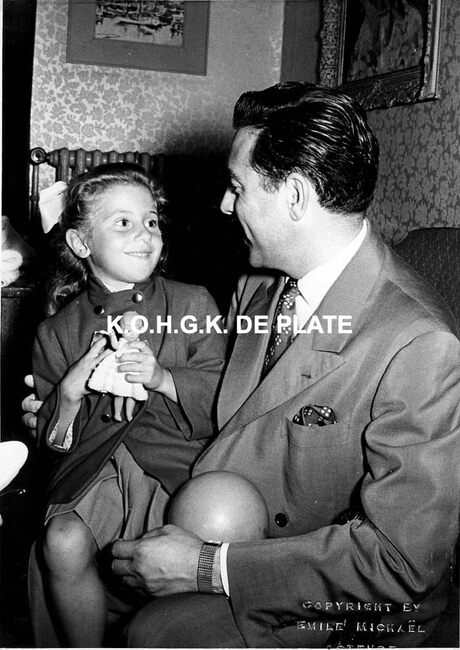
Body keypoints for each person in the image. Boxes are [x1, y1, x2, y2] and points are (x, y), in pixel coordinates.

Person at [23, 83, 460, 648]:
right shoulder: (261, 287)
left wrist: (211, 567)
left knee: (155, 634)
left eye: (238, 187)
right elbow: (239, 411)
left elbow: (402, 563)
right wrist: (70, 408)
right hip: (222, 508)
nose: (225, 206)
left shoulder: (419, 343)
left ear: (295, 196)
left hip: (340, 602)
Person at [29, 162, 226, 647]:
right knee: (61, 539)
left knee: (193, 539)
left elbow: (227, 395)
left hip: (176, 459)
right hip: (93, 468)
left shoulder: (194, 304)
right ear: (81, 244)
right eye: (123, 222)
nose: (145, 234)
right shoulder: (56, 331)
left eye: (151, 221)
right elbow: (52, 442)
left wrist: (163, 378)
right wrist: (68, 394)